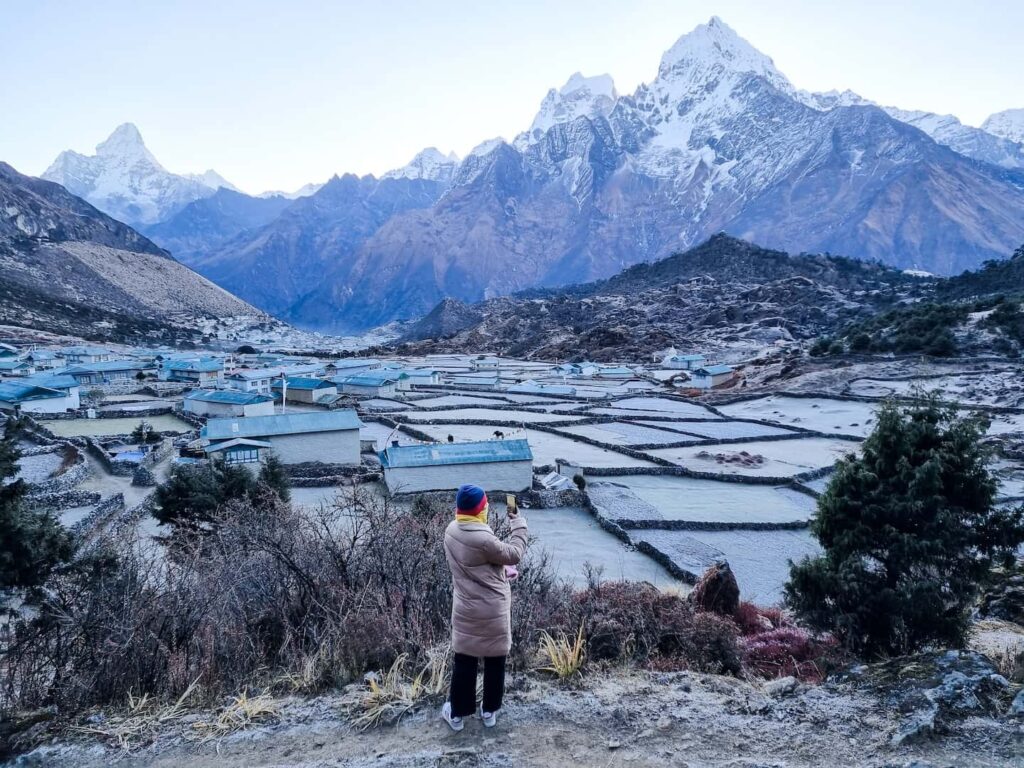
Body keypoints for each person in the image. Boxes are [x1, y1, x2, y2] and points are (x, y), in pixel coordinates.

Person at [440, 484, 528, 731]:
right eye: (485, 506)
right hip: (492, 611)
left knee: (464, 661)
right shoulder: (483, 539)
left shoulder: (451, 530)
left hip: (466, 609)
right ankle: (489, 712)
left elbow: (474, 566)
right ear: (480, 510)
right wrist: (518, 523)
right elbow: (514, 553)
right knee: (495, 662)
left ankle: (456, 715)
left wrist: (498, 572)